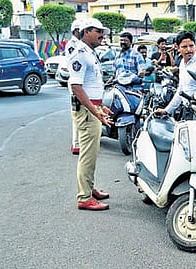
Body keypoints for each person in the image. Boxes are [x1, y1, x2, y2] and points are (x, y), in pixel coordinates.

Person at [68, 18, 113, 211]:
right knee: (87, 154)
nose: (102, 34)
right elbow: (76, 86)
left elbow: (91, 85)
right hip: (87, 111)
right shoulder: (80, 53)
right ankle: (84, 197)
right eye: (98, 31)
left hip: (93, 108)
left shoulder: (89, 52)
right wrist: (95, 111)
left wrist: (101, 106)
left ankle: (89, 187)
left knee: (92, 153)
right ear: (86, 31)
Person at [155, 30, 196, 116]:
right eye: (184, 47)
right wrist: (167, 110)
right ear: (177, 47)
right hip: (187, 109)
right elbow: (181, 90)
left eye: (191, 46)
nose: (189, 49)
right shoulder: (182, 63)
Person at [66, 19, 83, 155]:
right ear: (77, 31)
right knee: (77, 113)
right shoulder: (73, 45)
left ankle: (79, 142)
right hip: (76, 83)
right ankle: (76, 143)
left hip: (80, 83)